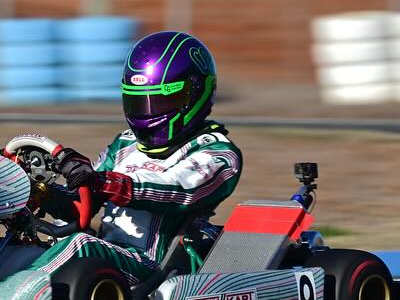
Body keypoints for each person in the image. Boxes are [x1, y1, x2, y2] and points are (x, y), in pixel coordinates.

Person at [25, 30, 243, 283]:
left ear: (195, 94)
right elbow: (82, 202)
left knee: (80, 245)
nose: (148, 112)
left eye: (160, 101)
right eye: (139, 102)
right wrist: (41, 193)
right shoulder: (125, 144)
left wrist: (104, 182)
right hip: (106, 257)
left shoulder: (218, 152)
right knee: (28, 241)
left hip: (153, 268)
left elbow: (176, 189)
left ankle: (11, 295)